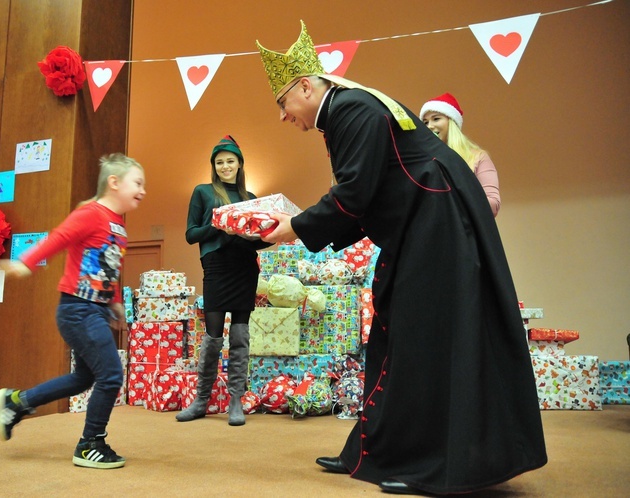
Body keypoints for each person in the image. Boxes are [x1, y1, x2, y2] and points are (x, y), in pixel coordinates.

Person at [255, 21, 547, 495]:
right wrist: (302, 228)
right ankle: (376, 451)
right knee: (396, 338)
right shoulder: (348, 110)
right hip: (423, 224)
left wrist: (295, 227)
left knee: (423, 342)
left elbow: (353, 195)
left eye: (283, 103)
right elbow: (365, 197)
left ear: (306, 86)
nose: (284, 117)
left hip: (435, 224)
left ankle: (426, 464)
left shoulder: (351, 109)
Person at [0, 153, 145, 469]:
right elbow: (58, 237)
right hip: (77, 309)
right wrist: (25, 263)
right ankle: (90, 444)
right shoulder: (91, 213)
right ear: (114, 183)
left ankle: (17, 402)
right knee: (112, 374)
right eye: (138, 183)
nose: (143, 191)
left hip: (96, 310)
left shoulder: (118, 225)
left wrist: (115, 301)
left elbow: (111, 268)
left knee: (84, 378)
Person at [177, 135, 270, 426]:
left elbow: (260, 241)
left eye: (230, 161)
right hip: (216, 267)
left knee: (240, 335)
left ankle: (236, 401)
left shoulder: (251, 198)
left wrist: (269, 233)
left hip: (245, 267)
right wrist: (218, 223)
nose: (225, 166)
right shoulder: (203, 192)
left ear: (240, 164)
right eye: (219, 162)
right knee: (213, 336)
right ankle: (201, 400)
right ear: (214, 166)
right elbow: (191, 234)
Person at [420, 93, 501, 217]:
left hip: (466, 233)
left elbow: (493, 205)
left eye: (436, 119)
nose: (429, 126)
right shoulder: (422, 160)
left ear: (452, 122)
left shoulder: (477, 157)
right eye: (425, 122)